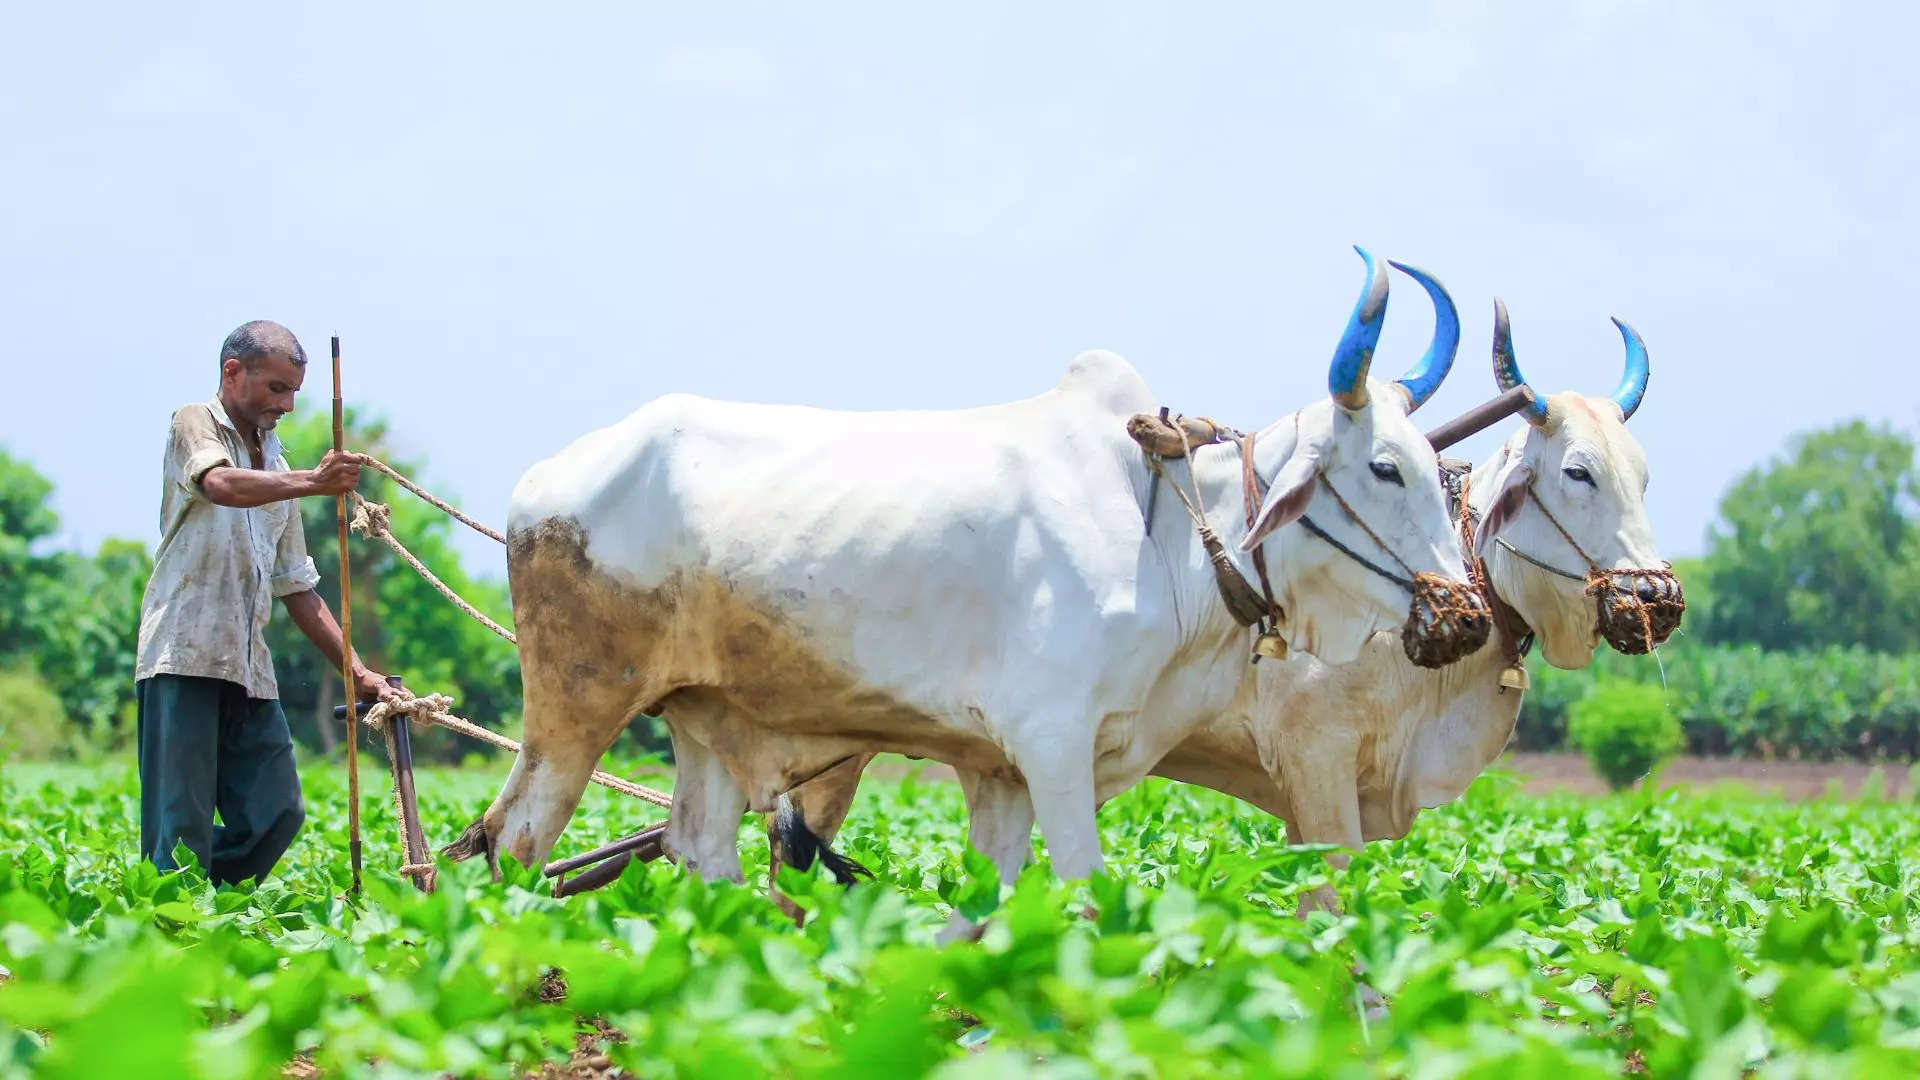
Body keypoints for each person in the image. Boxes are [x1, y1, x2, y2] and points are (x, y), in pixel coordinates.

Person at [133, 319, 402, 885]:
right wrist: (313, 482)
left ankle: (197, 900)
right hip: (182, 656)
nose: (285, 405)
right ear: (233, 373)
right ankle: (171, 920)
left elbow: (297, 585)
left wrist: (357, 672)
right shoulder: (194, 423)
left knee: (277, 814)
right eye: (276, 388)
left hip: (249, 669)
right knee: (180, 827)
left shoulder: (279, 466)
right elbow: (221, 486)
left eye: (294, 393)